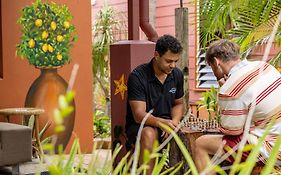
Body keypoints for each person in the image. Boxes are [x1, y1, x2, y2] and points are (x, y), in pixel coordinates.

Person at [194, 39, 281, 174]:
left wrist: (224, 90)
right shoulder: (264, 66)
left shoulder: (230, 89)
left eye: (211, 68)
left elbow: (231, 132)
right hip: (275, 134)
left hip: (273, 149)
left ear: (217, 62)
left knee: (201, 144)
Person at [125, 34, 184, 174]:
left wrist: (173, 123)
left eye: (176, 61)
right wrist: (161, 123)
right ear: (156, 55)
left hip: (166, 123)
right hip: (140, 125)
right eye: (169, 61)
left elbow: (178, 103)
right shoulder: (137, 77)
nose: (173, 65)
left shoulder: (177, 75)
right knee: (149, 133)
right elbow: (139, 115)